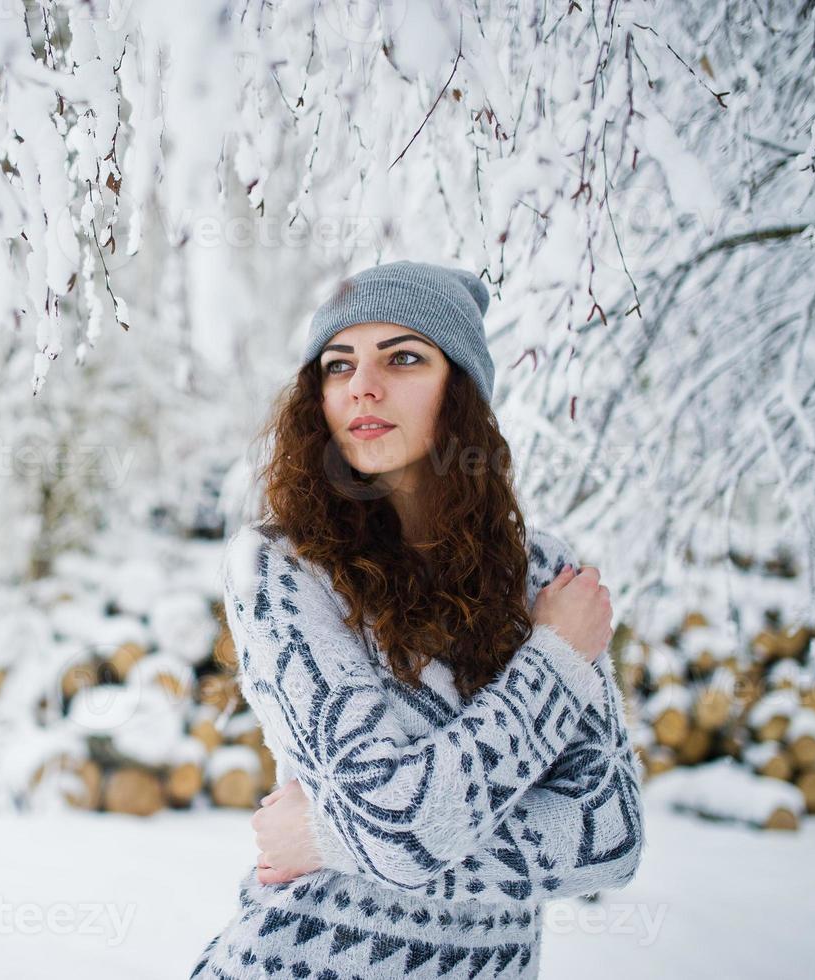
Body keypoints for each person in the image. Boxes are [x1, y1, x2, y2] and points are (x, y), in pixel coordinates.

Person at [189, 261, 646, 979]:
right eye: (338, 365)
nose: (362, 386)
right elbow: (399, 829)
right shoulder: (283, 568)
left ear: (460, 389)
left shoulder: (538, 575)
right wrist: (554, 657)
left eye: (403, 357)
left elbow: (608, 842)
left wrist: (329, 838)